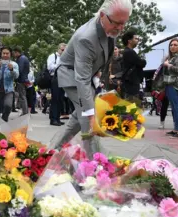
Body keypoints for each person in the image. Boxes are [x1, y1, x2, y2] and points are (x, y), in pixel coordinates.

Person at [53, 0, 132, 156]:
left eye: (124, 23)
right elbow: (81, 79)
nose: (121, 28)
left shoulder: (110, 27)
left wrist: (100, 79)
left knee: (77, 117)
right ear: (103, 15)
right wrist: (90, 115)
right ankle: (95, 166)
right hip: (71, 75)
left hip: (87, 75)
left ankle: (54, 152)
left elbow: (105, 55)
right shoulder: (86, 38)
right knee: (89, 120)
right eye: (117, 23)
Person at [162, 38, 178, 138]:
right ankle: (176, 129)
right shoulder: (174, 57)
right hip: (170, 84)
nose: (172, 46)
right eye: (171, 45)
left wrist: (167, 64)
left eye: (175, 45)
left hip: (176, 84)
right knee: (174, 107)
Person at [121, 30, 146, 103]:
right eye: (136, 38)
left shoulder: (127, 51)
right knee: (132, 105)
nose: (138, 40)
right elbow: (142, 63)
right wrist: (143, 61)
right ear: (129, 41)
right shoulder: (130, 52)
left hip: (130, 82)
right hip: (131, 83)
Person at [47, 43, 66, 125]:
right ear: (58, 49)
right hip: (55, 78)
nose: (64, 52)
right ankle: (53, 119)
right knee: (55, 99)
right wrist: (59, 64)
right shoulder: (53, 56)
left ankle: (57, 118)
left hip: (63, 79)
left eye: (65, 50)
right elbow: (50, 67)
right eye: (62, 50)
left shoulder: (65, 58)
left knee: (60, 99)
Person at [13, 46, 31, 116]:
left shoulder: (21, 59)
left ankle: (25, 112)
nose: (14, 55)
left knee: (22, 96)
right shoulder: (24, 58)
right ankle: (25, 111)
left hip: (21, 80)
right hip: (24, 79)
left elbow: (19, 70)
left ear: (17, 52)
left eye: (14, 53)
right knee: (22, 96)